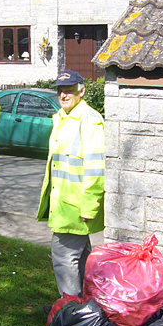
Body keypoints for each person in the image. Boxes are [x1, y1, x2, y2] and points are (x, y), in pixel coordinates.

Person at [37, 69, 105, 298]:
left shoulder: (90, 120)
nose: (64, 95)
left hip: (75, 207)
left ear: (82, 91)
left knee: (64, 258)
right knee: (83, 259)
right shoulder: (62, 118)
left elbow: (96, 168)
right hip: (64, 204)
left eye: (69, 90)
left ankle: (70, 312)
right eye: (60, 91)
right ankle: (89, 309)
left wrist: (90, 206)